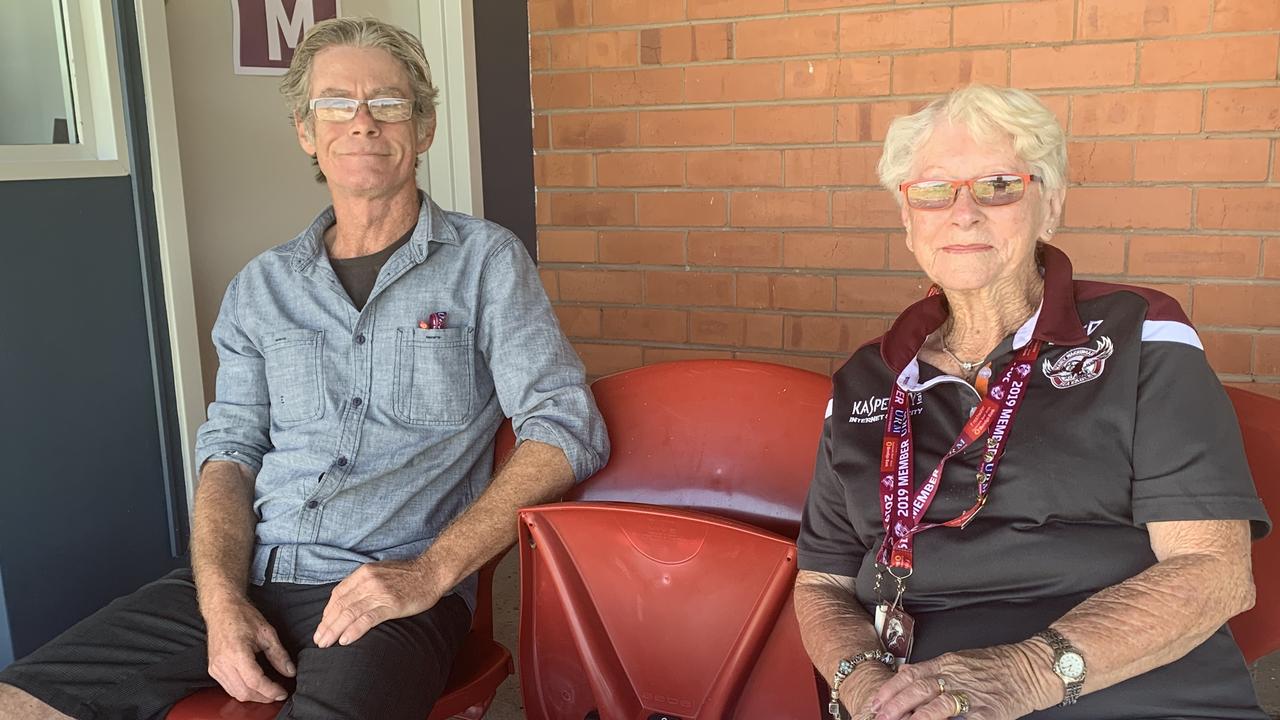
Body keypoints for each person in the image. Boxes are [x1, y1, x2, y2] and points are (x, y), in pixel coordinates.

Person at [0, 17, 607, 720]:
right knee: (20, 700)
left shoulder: (486, 264)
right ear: (305, 131)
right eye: (335, 103)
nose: (362, 122)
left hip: (386, 591)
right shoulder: (262, 288)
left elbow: (566, 426)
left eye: (388, 102)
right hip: (251, 574)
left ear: (425, 127)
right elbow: (229, 455)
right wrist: (221, 601)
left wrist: (429, 574)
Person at [793, 85, 1270, 720]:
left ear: (1050, 207)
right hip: (917, 699)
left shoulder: (1139, 334)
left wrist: (1022, 675)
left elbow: (1213, 568)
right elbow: (821, 581)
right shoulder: (867, 378)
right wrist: (861, 685)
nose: (963, 213)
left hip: (1124, 685)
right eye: (934, 191)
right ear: (908, 222)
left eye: (997, 186)